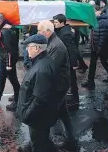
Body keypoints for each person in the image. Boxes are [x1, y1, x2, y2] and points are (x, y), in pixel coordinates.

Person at [16, 34, 61, 152]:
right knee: (42, 140)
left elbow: (40, 99)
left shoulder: (41, 69)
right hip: (42, 117)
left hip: (38, 118)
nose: (26, 49)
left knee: (39, 144)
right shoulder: (42, 62)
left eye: (28, 46)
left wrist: (27, 114)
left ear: (36, 48)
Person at [37, 20, 78, 150]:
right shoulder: (51, 42)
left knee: (47, 115)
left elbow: (49, 67)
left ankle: (41, 143)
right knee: (64, 114)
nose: (38, 33)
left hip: (58, 87)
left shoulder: (56, 46)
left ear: (48, 32)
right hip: (58, 85)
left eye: (40, 31)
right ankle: (72, 141)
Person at [82, 6, 108, 89]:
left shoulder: (104, 22)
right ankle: (90, 81)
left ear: (98, 11)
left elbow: (103, 36)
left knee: (104, 62)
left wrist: (99, 49)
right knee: (93, 64)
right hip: (94, 46)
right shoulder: (96, 20)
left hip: (101, 48)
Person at [52, 14, 79, 99]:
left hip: (67, 59)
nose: (54, 24)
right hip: (63, 59)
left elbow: (72, 48)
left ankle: (74, 93)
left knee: (71, 76)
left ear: (62, 23)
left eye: (56, 22)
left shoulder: (66, 33)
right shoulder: (62, 29)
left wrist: (74, 63)